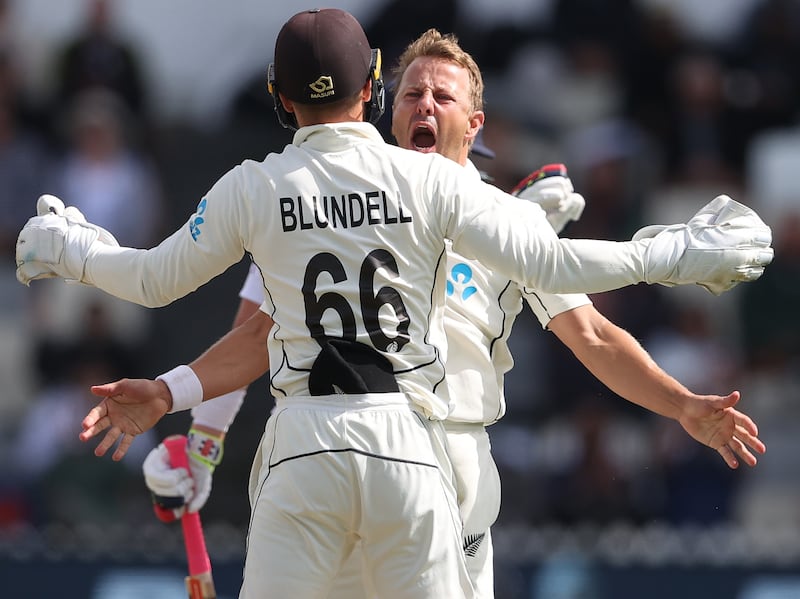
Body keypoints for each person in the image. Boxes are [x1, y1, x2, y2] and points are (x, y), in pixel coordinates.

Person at [14, 9, 773, 599]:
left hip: (434, 464)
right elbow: (257, 337)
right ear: (377, 95)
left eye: (445, 95)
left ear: (475, 126)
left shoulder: (301, 188)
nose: (426, 101)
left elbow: (594, 335)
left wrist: (678, 402)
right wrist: (196, 432)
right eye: (413, 89)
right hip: (399, 447)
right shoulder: (421, 190)